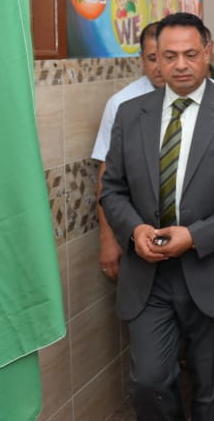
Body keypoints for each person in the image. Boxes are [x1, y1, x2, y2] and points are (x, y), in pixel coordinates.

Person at [100, 12, 214, 421]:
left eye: (190, 54)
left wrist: (195, 236)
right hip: (149, 275)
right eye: (169, 55)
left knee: (213, 390)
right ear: (155, 57)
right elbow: (112, 189)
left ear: (207, 52)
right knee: (150, 382)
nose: (180, 65)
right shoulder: (131, 113)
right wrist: (134, 230)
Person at [92, 21, 164, 280]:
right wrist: (107, 238)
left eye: (165, 56)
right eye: (152, 58)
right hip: (137, 229)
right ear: (141, 59)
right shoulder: (121, 104)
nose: (159, 66)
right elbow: (107, 177)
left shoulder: (213, 100)